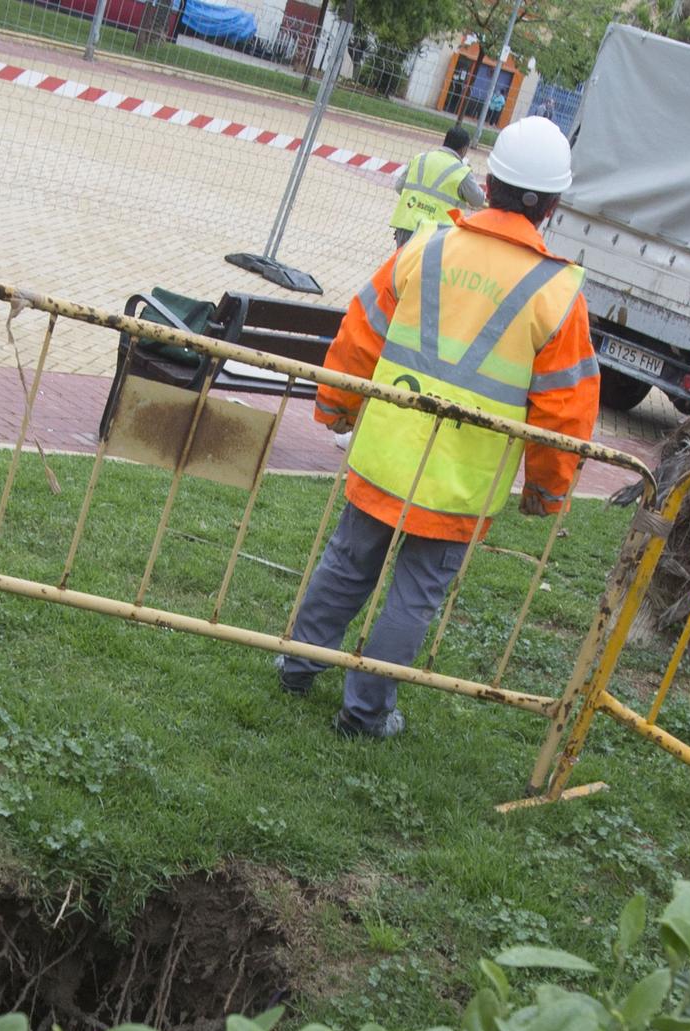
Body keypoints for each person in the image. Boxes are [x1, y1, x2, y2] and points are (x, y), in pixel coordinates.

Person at [276, 116, 600, 739]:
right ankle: (365, 714)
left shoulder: (423, 246)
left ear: (487, 181)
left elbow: (358, 334)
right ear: (554, 206)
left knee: (347, 563)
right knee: (414, 595)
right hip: (460, 481)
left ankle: (297, 665)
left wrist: (336, 407)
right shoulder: (558, 294)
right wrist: (547, 490)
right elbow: (566, 411)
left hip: (386, 452)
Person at [389, 124, 488, 248]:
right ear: (464, 149)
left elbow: (399, 187)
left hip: (406, 224)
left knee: (401, 266)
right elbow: (478, 200)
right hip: (435, 233)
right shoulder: (462, 171)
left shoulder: (420, 159)